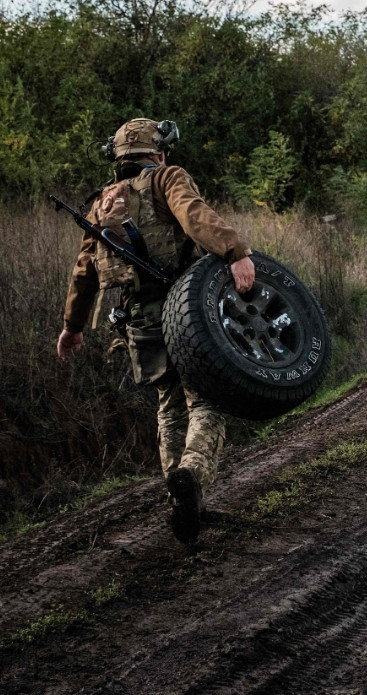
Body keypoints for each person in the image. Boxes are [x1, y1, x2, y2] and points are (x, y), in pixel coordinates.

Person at [56, 118, 255, 543]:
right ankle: (191, 477)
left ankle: (181, 501)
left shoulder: (100, 204)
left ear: (119, 158)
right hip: (187, 309)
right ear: (158, 153)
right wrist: (235, 252)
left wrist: (73, 326)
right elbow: (194, 215)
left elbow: (84, 271)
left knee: (168, 405)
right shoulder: (166, 177)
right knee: (206, 401)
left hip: (138, 319)